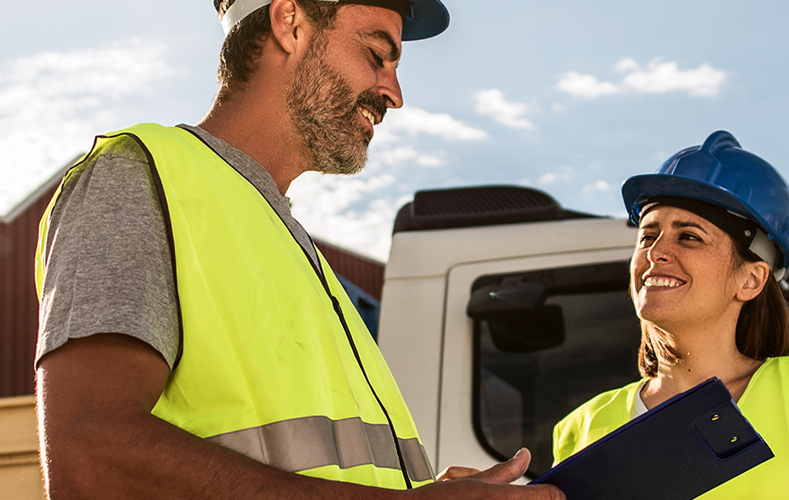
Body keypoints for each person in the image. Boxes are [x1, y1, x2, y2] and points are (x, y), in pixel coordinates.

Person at [31, 0, 558, 498]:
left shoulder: (290, 245)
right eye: (377, 55)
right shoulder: (139, 175)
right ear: (290, 22)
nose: (394, 93)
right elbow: (89, 457)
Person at [546, 131, 789, 499]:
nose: (656, 252)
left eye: (689, 236)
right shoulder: (582, 428)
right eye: (648, 235)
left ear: (751, 279)